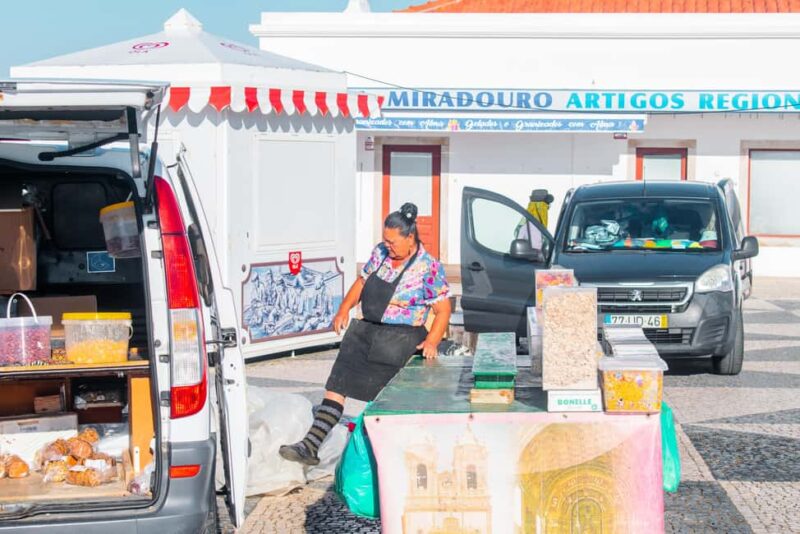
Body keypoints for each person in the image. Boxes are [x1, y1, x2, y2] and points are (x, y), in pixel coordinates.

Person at [279, 202, 452, 466]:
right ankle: (310, 445)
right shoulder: (380, 253)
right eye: (385, 240)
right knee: (336, 386)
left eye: (393, 242)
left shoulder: (428, 268)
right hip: (364, 331)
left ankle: (395, 459)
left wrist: (432, 341)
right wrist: (343, 309)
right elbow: (361, 282)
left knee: (387, 402)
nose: (388, 245)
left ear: (410, 238)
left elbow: (443, 310)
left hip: (400, 340)